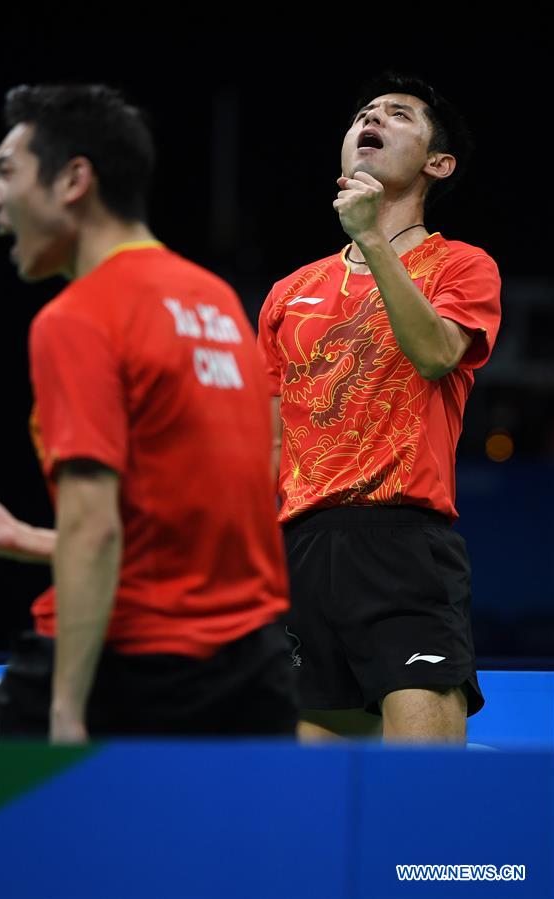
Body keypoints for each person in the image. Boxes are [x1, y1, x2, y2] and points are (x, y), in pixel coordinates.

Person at [0, 83, 295, 744]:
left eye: (5, 172)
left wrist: (67, 711)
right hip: (249, 665)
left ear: (74, 179)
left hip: (129, 653)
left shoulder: (77, 317)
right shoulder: (216, 302)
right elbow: (195, 525)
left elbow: (94, 525)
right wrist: (26, 538)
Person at [256, 72, 501, 743]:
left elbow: (433, 354)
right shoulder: (289, 291)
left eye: (398, 115)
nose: (373, 117)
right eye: (364, 111)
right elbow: (272, 441)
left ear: (437, 163)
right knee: (310, 804)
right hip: (300, 552)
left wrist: (370, 240)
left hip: (402, 544)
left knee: (423, 795)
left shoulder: (462, 266)